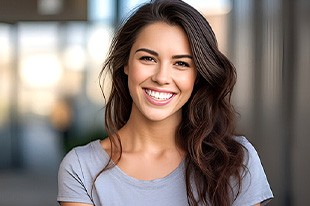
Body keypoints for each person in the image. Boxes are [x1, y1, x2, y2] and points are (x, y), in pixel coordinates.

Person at [57, 0, 273, 205]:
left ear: (197, 75)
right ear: (125, 64)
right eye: (148, 58)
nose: (161, 77)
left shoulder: (235, 161)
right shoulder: (81, 168)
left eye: (181, 63)